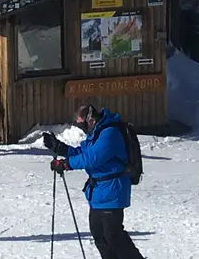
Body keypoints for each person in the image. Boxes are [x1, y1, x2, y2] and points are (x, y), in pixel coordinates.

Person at [44, 104, 145, 259]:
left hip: (112, 190)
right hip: (98, 192)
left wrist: (66, 164)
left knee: (114, 236)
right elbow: (84, 152)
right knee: (100, 236)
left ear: (90, 120)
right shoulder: (96, 133)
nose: (81, 128)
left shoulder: (110, 133)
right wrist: (61, 148)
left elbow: (93, 158)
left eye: (81, 124)